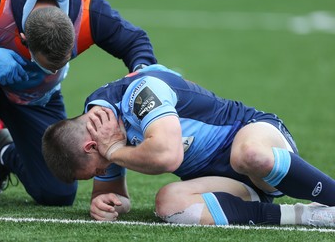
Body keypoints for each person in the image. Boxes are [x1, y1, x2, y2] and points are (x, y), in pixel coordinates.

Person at [0, 0, 157, 213]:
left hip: (37, 98)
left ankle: (3, 152)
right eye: (46, 65)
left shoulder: (91, 11)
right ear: (23, 39)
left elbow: (136, 42)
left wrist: (143, 79)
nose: (52, 72)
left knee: (58, 192)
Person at [42, 64, 335, 227]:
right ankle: (306, 215)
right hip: (229, 184)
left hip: (254, 135)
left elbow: (169, 155)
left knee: (247, 154)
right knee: (168, 204)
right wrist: (110, 205)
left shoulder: (139, 95)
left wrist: (115, 151)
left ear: (90, 146)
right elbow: (114, 193)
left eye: (94, 172)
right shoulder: (100, 129)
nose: (102, 173)